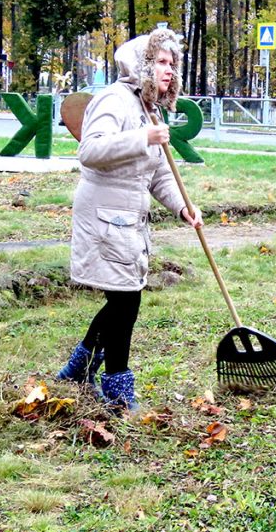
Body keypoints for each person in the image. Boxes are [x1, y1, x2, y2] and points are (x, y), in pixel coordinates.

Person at [57, 27, 202, 411]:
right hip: (104, 218)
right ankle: (118, 390)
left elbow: (157, 173)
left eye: (172, 64)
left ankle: (79, 369)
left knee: (123, 301)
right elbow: (90, 150)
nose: (169, 70)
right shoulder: (115, 100)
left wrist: (182, 206)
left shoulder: (146, 108)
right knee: (125, 303)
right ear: (142, 64)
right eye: (161, 62)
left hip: (128, 220)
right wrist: (144, 138)